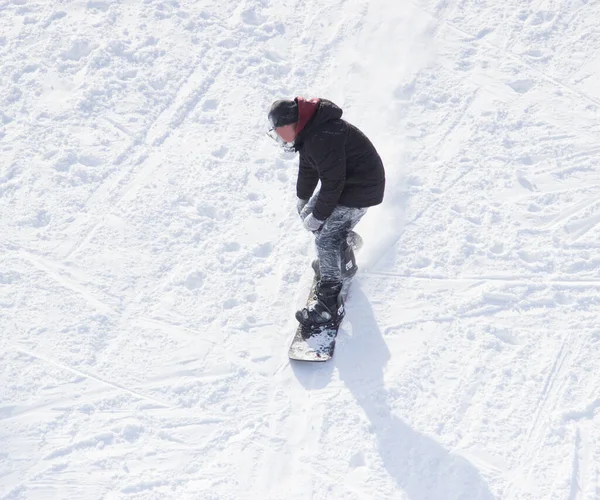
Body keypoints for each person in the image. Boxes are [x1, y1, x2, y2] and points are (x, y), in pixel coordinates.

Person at [268, 97, 385, 329]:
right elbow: (309, 168)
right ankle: (343, 258)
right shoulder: (310, 132)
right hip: (349, 184)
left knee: (326, 238)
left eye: (281, 132)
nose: (281, 138)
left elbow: (333, 184)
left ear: (293, 124)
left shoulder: (322, 136)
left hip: (361, 187)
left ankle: (329, 305)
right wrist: (303, 200)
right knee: (311, 216)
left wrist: (319, 218)